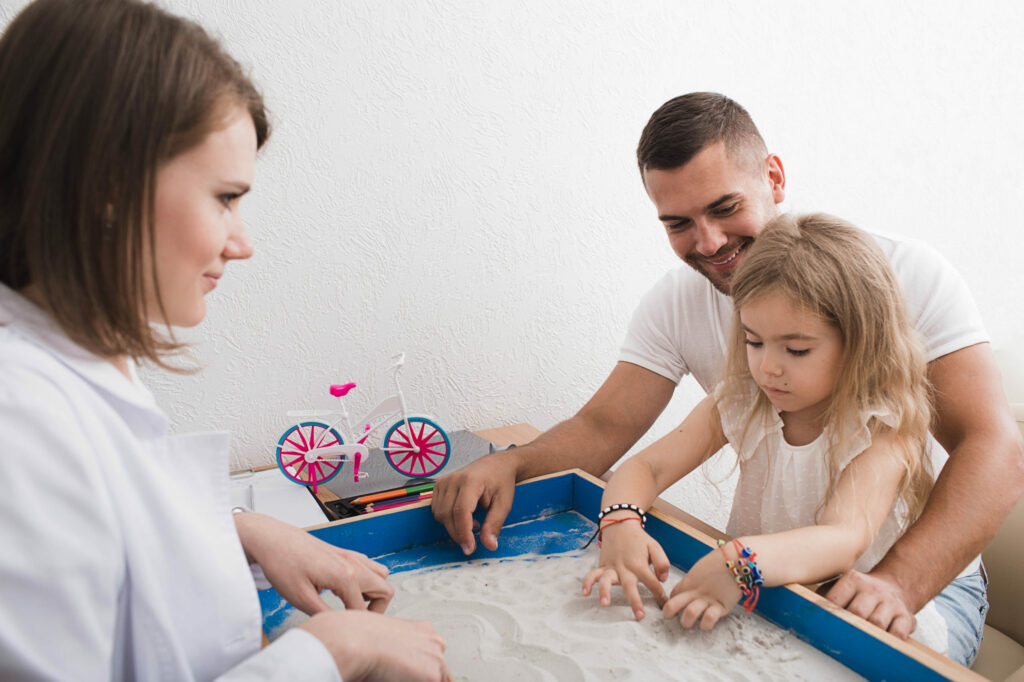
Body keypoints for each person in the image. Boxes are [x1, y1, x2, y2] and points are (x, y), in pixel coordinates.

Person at [433, 92, 1024, 666]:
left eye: (723, 208)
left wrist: (893, 583)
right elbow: (609, 431)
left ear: (773, 177)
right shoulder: (738, 390)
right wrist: (524, 469)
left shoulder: (897, 297)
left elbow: (990, 451)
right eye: (678, 223)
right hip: (773, 577)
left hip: (904, 586)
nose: (709, 242)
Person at [0, 1, 449, 680]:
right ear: (103, 189)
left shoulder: (78, 363)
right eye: (224, 198)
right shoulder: (20, 423)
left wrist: (241, 533)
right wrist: (330, 654)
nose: (242, 244)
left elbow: (107, 529)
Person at [580, 213, 951, 653]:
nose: (768, 367)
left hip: (859, 629)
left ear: (860, 342)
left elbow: (842, 538)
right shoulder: (743, 399)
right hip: (763, 604)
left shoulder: (883, 425)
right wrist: (621, 520)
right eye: (754, 342)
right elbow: (647, 467)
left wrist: (737, 561)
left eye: (796, 349)